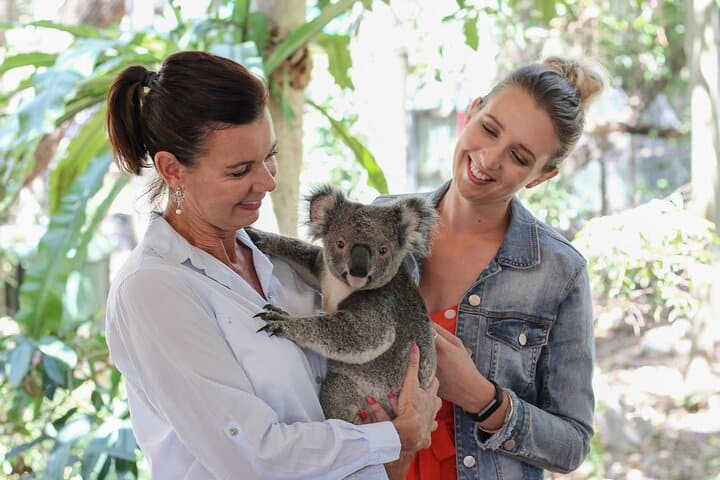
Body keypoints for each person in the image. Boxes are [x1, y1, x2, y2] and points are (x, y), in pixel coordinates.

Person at [103, 50, 441, 480]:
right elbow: (254, 458)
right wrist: (397, 435)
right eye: (240, 169)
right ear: (172, 169)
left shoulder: (278, 264)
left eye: (269, 155)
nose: (268, 181)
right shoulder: (153, 291)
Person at [378, 57, 604, 479]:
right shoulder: (381, 222)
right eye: (489, 129)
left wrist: (485, 399)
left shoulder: (559, 271)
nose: (489, 159)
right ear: (472, 110)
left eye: (519, 157)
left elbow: (572, 444)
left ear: (542, 176)